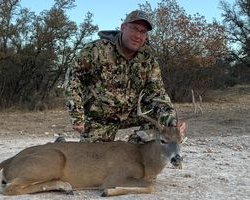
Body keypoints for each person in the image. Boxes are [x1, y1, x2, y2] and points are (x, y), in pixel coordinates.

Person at [65, 10, 185, 143]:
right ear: (123, 27)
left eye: (143, 32)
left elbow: (157, 94)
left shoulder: (148, 61)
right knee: (95, 159)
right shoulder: (95, 50)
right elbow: (73, 79)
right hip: (98, 118)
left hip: (131, 113)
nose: (138, 35)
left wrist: (172, 122)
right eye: (134, 29)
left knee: (162, 121)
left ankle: (135, 149)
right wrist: (76, 115)